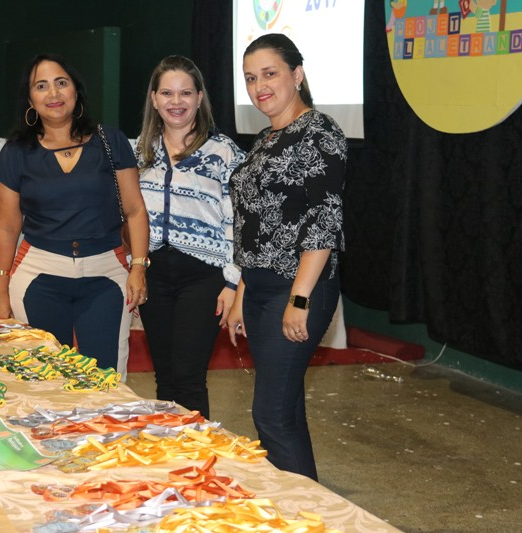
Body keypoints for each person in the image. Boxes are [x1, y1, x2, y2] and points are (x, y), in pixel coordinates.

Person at [227, 34, 347, 480]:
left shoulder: (320, 132)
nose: (260, 86)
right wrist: (241, 292)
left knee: (271, 416)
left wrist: (299, 298)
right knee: (286, 411)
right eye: (250, 78)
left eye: (270, 74)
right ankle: (301, 506)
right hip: (259, 288)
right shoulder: (263, 139)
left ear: (297, 75)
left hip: (298, 288)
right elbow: (252, 225)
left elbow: (323, 219)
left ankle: (303, 519)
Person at [0, 54, 149, 377]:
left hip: (106, 277)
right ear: (30, 100)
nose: (54, 94)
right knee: (41, 380)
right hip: (38, 278)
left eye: (61, 83)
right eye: (41, 86)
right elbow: (6, 229)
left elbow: (135, 210)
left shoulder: (111, 142)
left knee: (105, 382)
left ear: (76, 90)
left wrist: (139, 267)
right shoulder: (15, 154)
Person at [136, 55, 245, 418]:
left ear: (200, 97)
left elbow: (239, 222)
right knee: (164, 377)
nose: (176, 101)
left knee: (189, 377)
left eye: (185, 93)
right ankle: (170, 460)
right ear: (154, 99)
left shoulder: (224, 152)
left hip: (203, 277)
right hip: (154, 274)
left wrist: (232, 284)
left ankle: (199, 465)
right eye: (166, 93)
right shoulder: (139, 151)